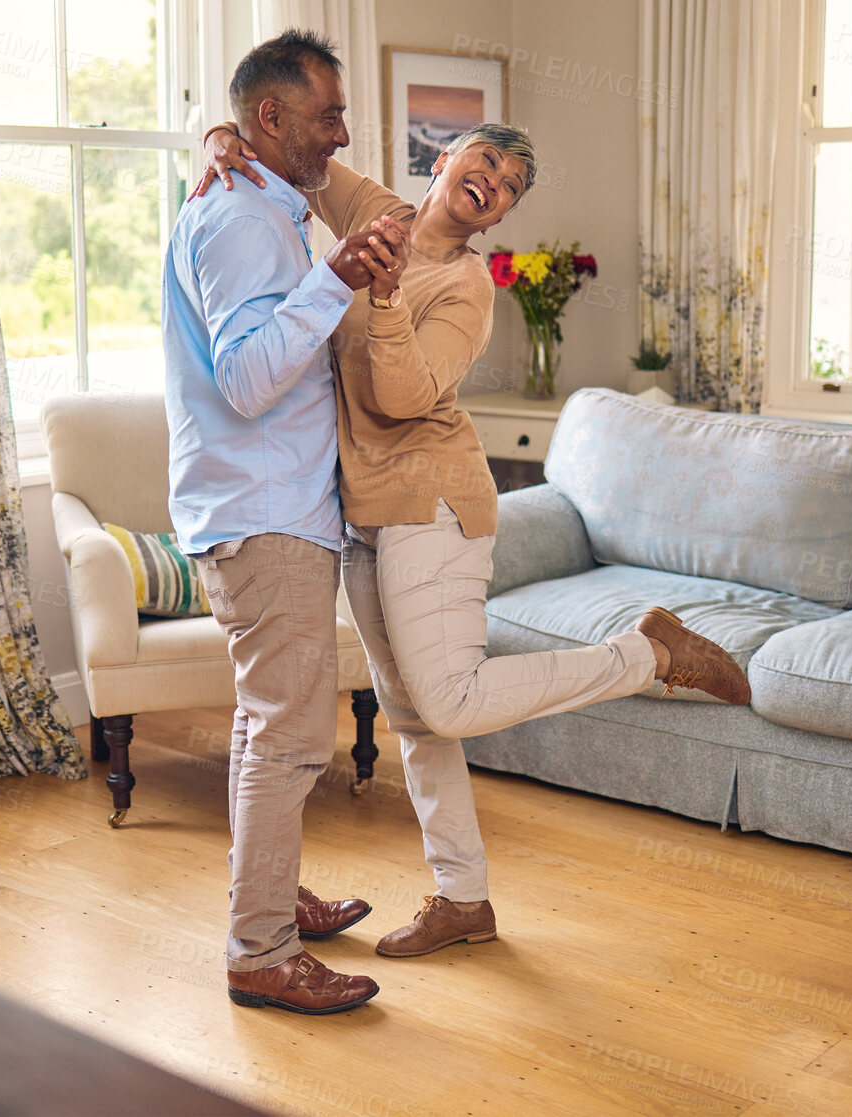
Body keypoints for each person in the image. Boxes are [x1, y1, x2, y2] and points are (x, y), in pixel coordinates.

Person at [191, 120, 751, 958]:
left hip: (436, 506)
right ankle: (464, 900)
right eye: (486, 159)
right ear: (444, 160)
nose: (496, 180)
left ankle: (649, 656)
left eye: (513, 185)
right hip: (362, 513)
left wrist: (382, 300)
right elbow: (300, 161)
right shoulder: (374, 211)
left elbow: (406, 397)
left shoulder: (466, 287)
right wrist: (221, 137)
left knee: (448, 702)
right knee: (416, 720)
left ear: (496, 220)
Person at [162, 30, 411, 1015]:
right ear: (272, 119)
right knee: (294, 731)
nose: (342, 135)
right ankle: (260, 950)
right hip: (262, 513)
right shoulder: (238, 221)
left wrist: (211, 134)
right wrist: (339, 277)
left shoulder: (261, 196)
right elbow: (251, 376)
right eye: (327, 117)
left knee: (272, 721)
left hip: (272, 504)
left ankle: (272, 894)